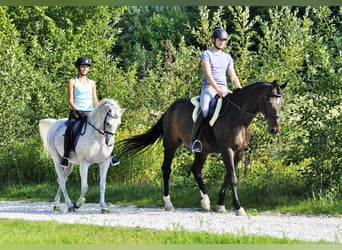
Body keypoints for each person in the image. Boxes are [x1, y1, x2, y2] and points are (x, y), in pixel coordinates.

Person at [61, 56, 120, 167]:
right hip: (77, 112)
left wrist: (99, 110)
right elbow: (70, 100)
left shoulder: (92, 83)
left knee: (107, 128)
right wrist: (77, 111)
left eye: (86, 67)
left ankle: (111, 154)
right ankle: (65, 156)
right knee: (70, 129)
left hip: (90, 113)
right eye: (82, 67)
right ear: (78, 68)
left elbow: (94, 99)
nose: (84, 69)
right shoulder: (72, 81)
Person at [189, 28, 243, 152]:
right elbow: (208, 75)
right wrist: (218, 89)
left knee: (238, 109)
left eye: (224, 40)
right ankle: (194, 140)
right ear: (214, 40)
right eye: (219, 40)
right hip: (210, 88)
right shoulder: (206, 54)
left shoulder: (228, 58)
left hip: (225, 89)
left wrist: (239, 89)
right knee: (205, 110)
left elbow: (233, 77)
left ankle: (241, 142)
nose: (222, 42)